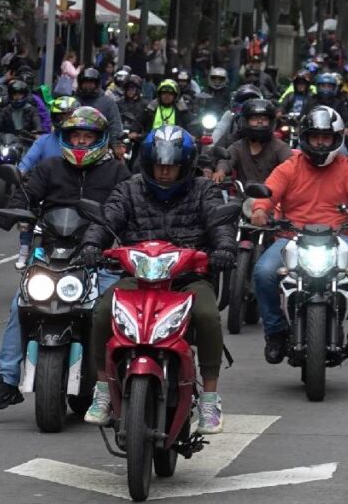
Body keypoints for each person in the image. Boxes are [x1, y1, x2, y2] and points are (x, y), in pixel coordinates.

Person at [78, 125, 237, 433]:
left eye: (172, 166)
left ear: (185, 166)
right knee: (100, 312)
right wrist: (91, 244)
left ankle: (210, 397)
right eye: (159, 166)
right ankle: (101, 391)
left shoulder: (204, 189)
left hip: (187, 279)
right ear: (149, 164)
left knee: (207, 316)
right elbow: (108, 217)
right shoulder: (129, 188)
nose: (165, 173)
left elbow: (220, 224)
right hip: (137, 279)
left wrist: (224, 249)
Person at [0, 107, 131, 411]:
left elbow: (132, 205)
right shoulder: (49, 168)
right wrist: (16, 210)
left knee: (116, 310)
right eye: (75, 135)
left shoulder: (117, 172)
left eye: (87, 137)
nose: (80, 142)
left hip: (100, 256)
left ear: (100, 140)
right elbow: (25, 195)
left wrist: (125, 236)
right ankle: (7, 381)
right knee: (19, 306)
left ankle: (121, 381)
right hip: (52, 254)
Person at [251, 106, 348, 363]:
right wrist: (259, 210)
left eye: (326, 137)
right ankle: (275, 332)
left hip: (338, 237)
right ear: (305, 138)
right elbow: (269, 193)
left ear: (336, 139)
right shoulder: (289, 167)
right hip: (291, 237)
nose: (321, 142)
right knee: (263, 272)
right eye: (315, 137)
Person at [211, 98, 292, 185]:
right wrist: (220, 172)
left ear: (271, 122)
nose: (260, 122)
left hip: (272, 195)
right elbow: (227, 161)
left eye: (264, 119)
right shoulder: (238, 146)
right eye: (254, 118)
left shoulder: (280, 147)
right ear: (246, 121)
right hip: (242, 196)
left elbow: (290, 167)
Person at [75, 67, 125, 156]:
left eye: (91, 83)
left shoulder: (108, 103)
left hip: (101, 147)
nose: (88, 85)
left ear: (97, 84)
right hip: (74, 146)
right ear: (80, 84)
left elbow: (115, 124)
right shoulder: (73, 101)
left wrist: (116, 144)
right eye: (85, 82)